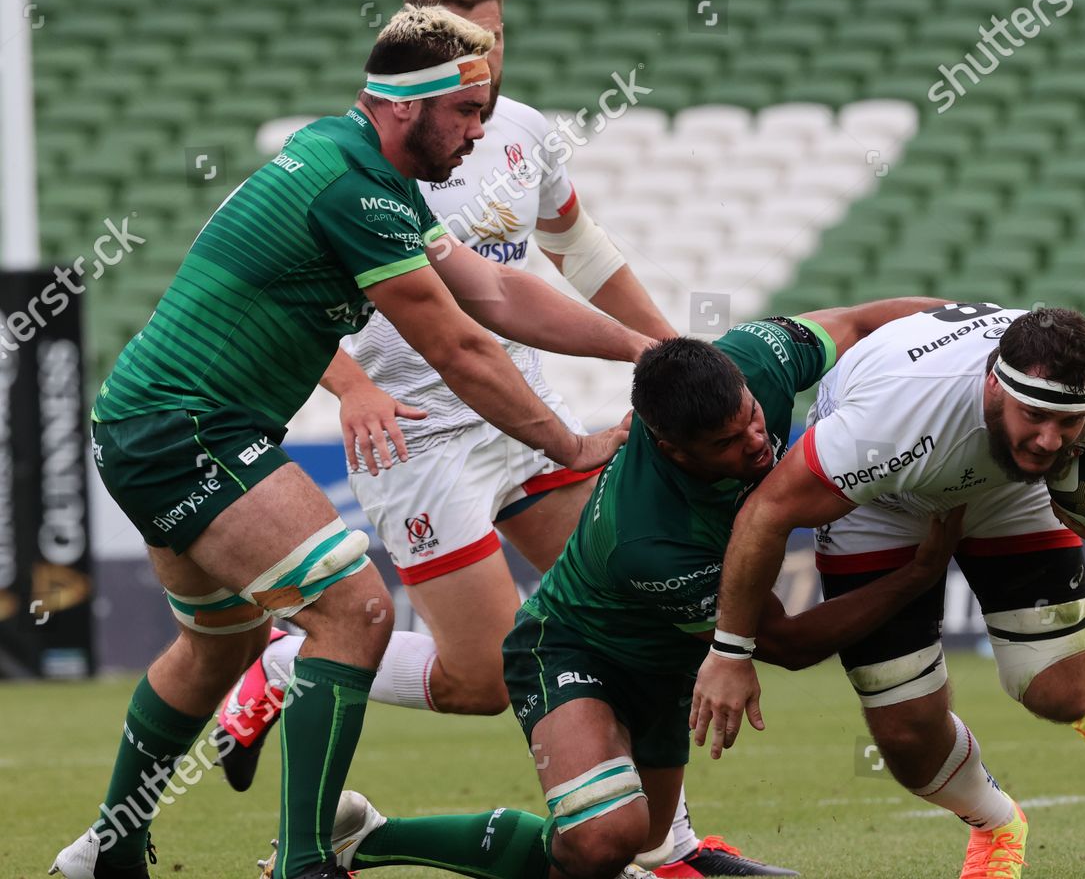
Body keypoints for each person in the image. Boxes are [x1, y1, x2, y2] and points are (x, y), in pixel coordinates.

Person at [210, 0, 785, 878]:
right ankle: (286, 663)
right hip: (420, 441)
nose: (483, 58)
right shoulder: (361, 155)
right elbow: (265, 290)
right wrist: (353, 386)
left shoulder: (515, 134)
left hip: (519, 412)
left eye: (496, 38)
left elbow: (573, 248)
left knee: (638, 603)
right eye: (458, 39)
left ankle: (669, 842)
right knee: (479, 679)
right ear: (410, 36)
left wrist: (672, 351)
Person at [50, 4, 654, 879]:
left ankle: (109, 850)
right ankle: (307, 861)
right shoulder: (356, 190)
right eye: (467, 113)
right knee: (356, 611)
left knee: (215, 645)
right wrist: (570, 445)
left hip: (161, 426)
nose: (480, 133)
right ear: (407, 106)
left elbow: (495, 292)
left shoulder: (366, 172)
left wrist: (641, 345)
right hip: (187, 432)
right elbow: (461, 348)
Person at [252, 300, 963, 879]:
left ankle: (363, 839)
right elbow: (783, 642)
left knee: (642, 842)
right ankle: (365, 818)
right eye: (725, 443)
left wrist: (973, 327)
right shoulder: (650, 537)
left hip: (663, 669)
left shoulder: (755, 360)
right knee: (603, 840)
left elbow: (863, 321)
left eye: (751, 417)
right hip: (572, 650)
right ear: (669, 445)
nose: (754, 442)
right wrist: (919, 576)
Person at [692, 303, 1085, 878]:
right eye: (1034, 414)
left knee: (1062, 696)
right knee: (907, 737)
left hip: (1011, 493)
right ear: (994, 383)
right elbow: (765, 515)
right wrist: (730, 652)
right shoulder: (889, 424)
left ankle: (1081, 674)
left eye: (1069, 423)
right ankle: (996, 823)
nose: (1047, 440)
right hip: (883, 503)